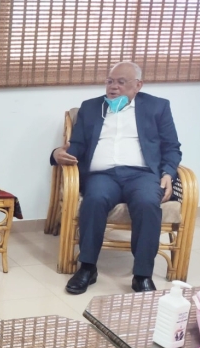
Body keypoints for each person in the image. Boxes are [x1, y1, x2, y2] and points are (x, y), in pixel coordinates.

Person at [50, 61, 181, 295]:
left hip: (142, 175)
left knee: (147, 203)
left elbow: (172, 147)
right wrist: (57, 154)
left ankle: (142, 275)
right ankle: (87, 267)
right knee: (94, 199)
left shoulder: (158, 107)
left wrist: (168, 173)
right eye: (110, 81)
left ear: (138, 85)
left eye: (121, 82)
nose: (113, 87)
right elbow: (76, 145)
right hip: (103, 175)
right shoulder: (91, 107)